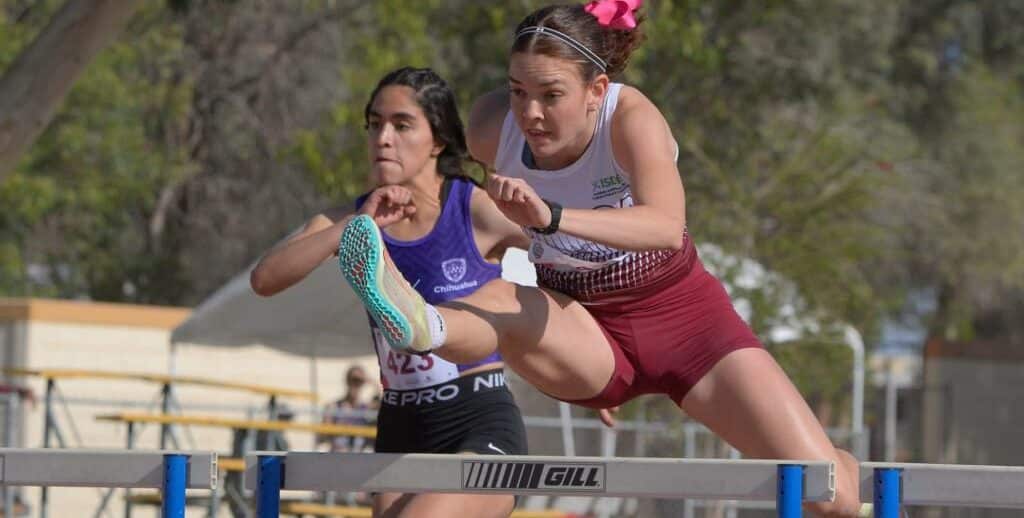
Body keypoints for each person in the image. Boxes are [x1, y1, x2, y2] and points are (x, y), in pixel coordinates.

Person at [335, 2, 862, 516]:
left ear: (597, 91)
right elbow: (435, 166)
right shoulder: (493, 128)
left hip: (687, 326)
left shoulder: (631, 119)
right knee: (505, 300)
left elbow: (664, 227)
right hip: (585, 331)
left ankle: (851, 478)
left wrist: (553, 217)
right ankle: (419, 324)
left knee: (828, 495)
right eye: (518, 91)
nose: (531, 113)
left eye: (551, 95)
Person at [251, 66, 529, 518]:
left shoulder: (473, 209)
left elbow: (568, 256)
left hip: (477, 416)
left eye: (401, 125)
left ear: (437, 140)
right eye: (375, 124)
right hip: (401, 420)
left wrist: (594, 377)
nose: (383, 138)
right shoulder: (355, 219)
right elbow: (265, 279)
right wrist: (351, 230)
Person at [318, 365, 378, 453]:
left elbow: (383, 399)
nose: (355, 384)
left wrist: (372, 383)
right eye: (353, 380)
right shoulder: (334, 406)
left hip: (359, 456)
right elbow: (323, 435)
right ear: (347, 381)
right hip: (338, 455)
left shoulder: (366, 407)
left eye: (359, 381)